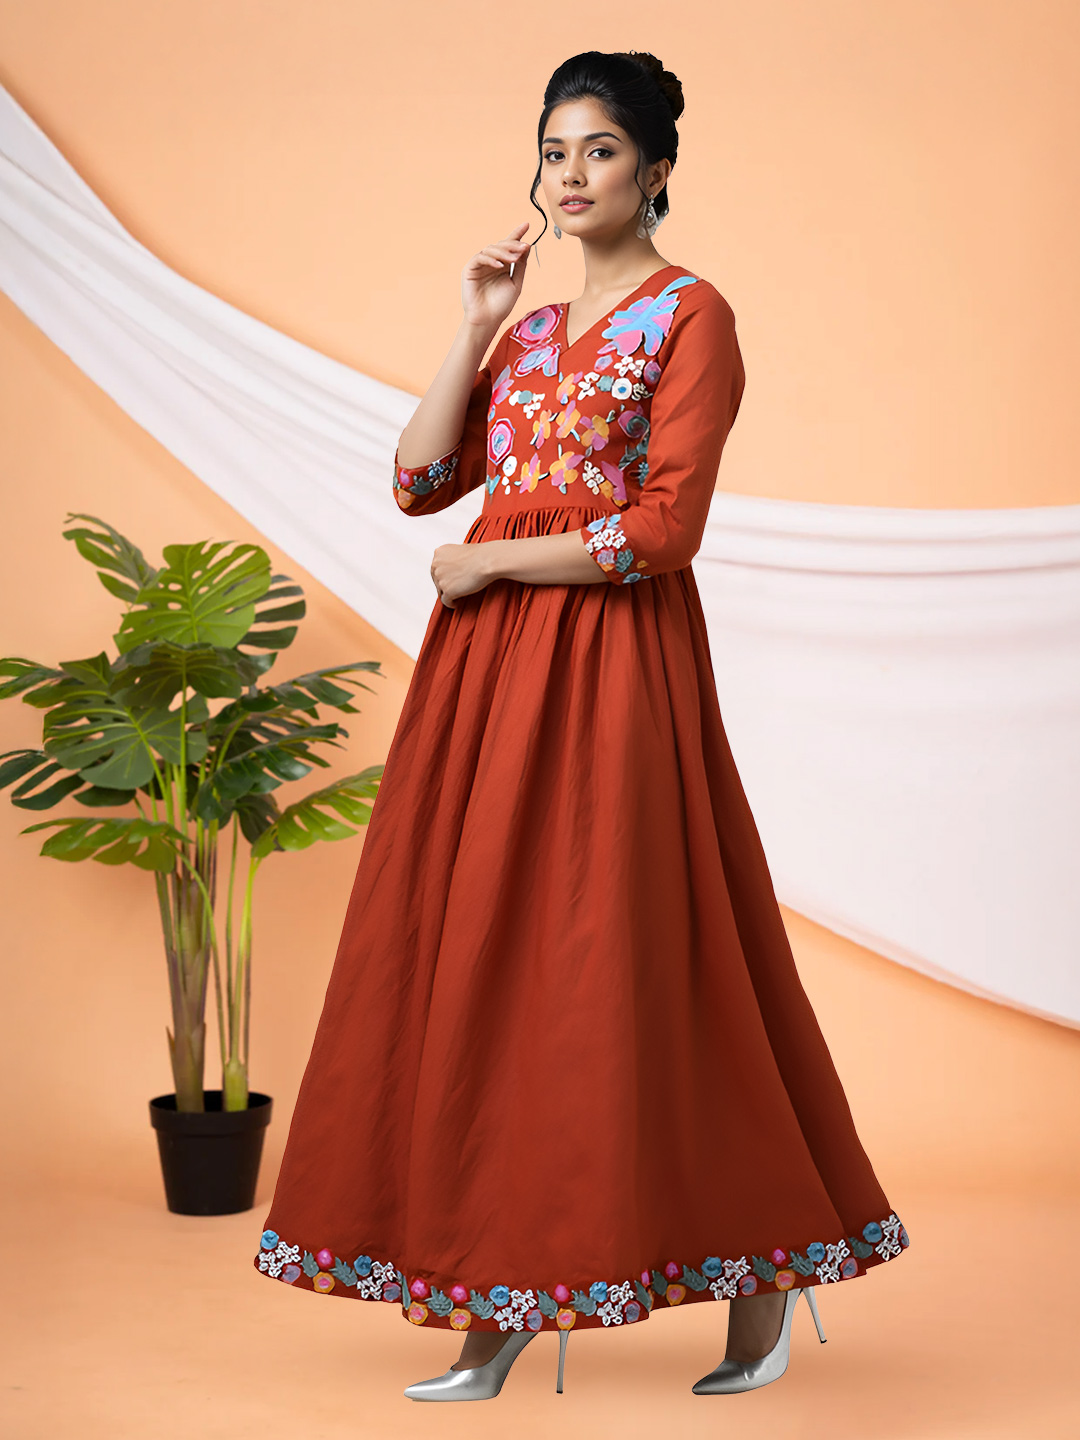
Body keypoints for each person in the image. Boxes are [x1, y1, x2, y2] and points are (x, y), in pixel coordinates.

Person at [252, 49, 909, 1402]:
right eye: (554, 151)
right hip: (487, 679)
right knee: (478, 959)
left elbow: (662, 531)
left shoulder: (692, 314)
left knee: (622, 959)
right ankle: (494, 1290)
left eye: (599, 150)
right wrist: (474, 324)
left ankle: (758, 1279)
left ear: (655, 168)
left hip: (612, 670)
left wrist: (496, 563)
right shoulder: (533, 328)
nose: (570, 174)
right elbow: (420, 482)